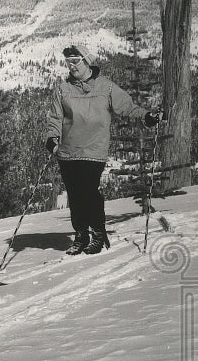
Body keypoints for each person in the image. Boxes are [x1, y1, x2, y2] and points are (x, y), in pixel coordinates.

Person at [45, 44, 162, 255]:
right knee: (75, 194)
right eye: (68, 62)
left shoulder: (106, 87)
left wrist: (145, 116)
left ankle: (98, 233)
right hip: (67, 151)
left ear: (87, 61)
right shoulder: (62, 89)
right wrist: (52, 138)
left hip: (94, 149)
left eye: (75, 61)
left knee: (88, 191)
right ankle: (81, 235)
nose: (71, 66)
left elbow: (127, 106)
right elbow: (55, 118)